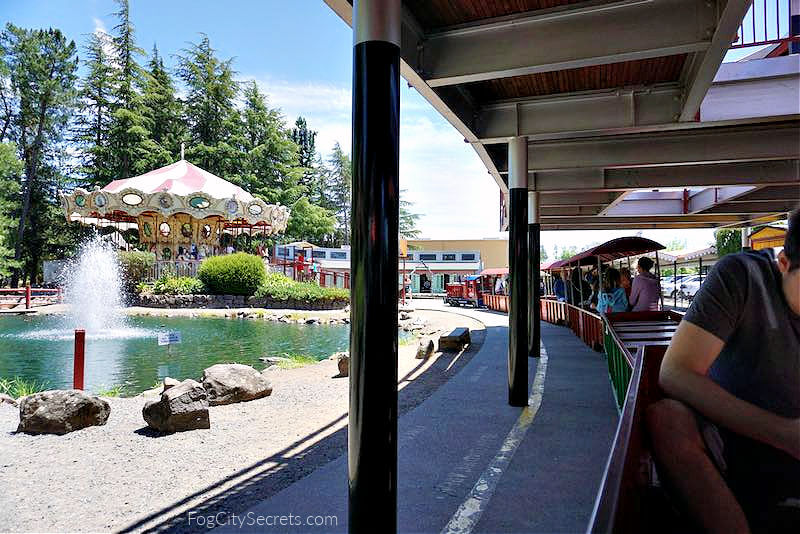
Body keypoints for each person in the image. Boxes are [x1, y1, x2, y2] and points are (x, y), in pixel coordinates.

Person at [646, 209, 800, 534]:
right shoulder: (743, 276)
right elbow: (674, 373)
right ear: (784, 263)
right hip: (731, 446)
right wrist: (784, 433)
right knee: (666, 417)